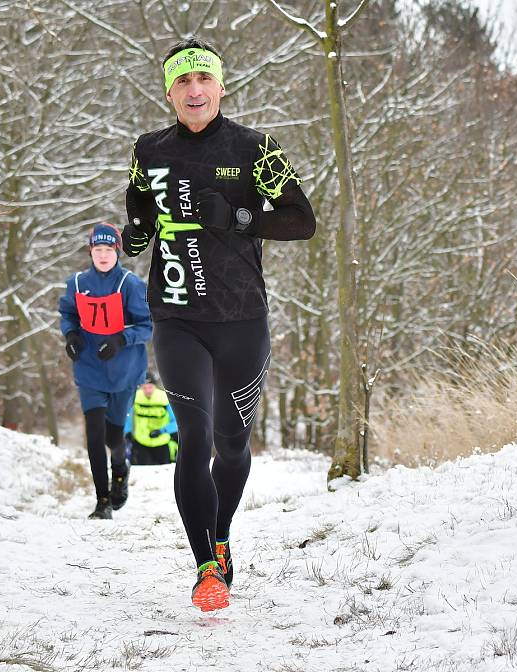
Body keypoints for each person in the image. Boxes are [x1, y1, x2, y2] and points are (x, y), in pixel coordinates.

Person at [121, 37, 316, 611]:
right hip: (177, 316)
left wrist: (238, 216)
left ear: (221, 87)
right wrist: (135, 232)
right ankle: (206, 566)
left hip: (241, 320)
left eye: (203, 78)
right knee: (195, 441)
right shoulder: (148, 150)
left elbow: (302, 221)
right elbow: (138, 213)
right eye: (182, 82)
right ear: (169, 92)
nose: (195, 90)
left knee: (231, 447)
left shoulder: (255, 148)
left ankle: (221, 535)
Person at [59, 223, 152, 520]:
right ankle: (102, 502)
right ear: (90, 251)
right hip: (89, 369)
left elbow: (147, 326)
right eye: (97, 249)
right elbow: (68, 315)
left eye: (108, 250)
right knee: (94, 432)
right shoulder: (76, 283)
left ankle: (121, 468)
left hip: (124, 370)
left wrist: (121, 338)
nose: (102, 255)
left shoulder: (130, 284)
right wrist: (71, 336)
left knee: (114, 437)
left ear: (117, 252)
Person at [124, 374, 178, 466]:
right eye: (144, 388)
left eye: (150, 387)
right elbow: (128, 417)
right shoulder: (135, 398)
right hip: (141, 442)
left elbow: (176, 422)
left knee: (163, 473)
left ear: (155, 386)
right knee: (144, 474)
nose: (147, 390)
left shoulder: (164, 398)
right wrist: (128, 432)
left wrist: (162, 431)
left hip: (162, 442)